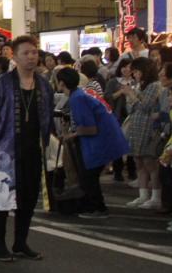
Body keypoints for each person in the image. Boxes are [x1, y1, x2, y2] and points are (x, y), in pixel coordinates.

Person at [0, 35, 53, 262]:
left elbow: (48, 117)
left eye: (34, 52)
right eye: (26, 53)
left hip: (33, 148)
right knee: (1, 197)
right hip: (6, 149)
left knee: (29, 197)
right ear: (14, 56)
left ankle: (20, 242)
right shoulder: (3, 83)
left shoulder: (43, 84)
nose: (31, 57)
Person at [54, 67, 128, 219]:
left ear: (61, 83)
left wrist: (71, 135)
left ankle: (97, 208)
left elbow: (90, 128)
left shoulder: (77, 98)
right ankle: (95, 206)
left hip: (100, 140)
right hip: (110, 136)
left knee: (88, 176)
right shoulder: (84, 92)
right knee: (89, 175)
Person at [121, 57, 165, 209]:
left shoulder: (154, 85)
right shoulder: (140, 85)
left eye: (136, 71)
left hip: (149, 127)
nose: (134, 74)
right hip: (136, 126)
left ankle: (156, 197)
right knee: (138, 161)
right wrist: (131, 96)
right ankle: (143, 195)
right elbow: (131, 108)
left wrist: (132, 96)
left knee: (150, 162)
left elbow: (146, 107)